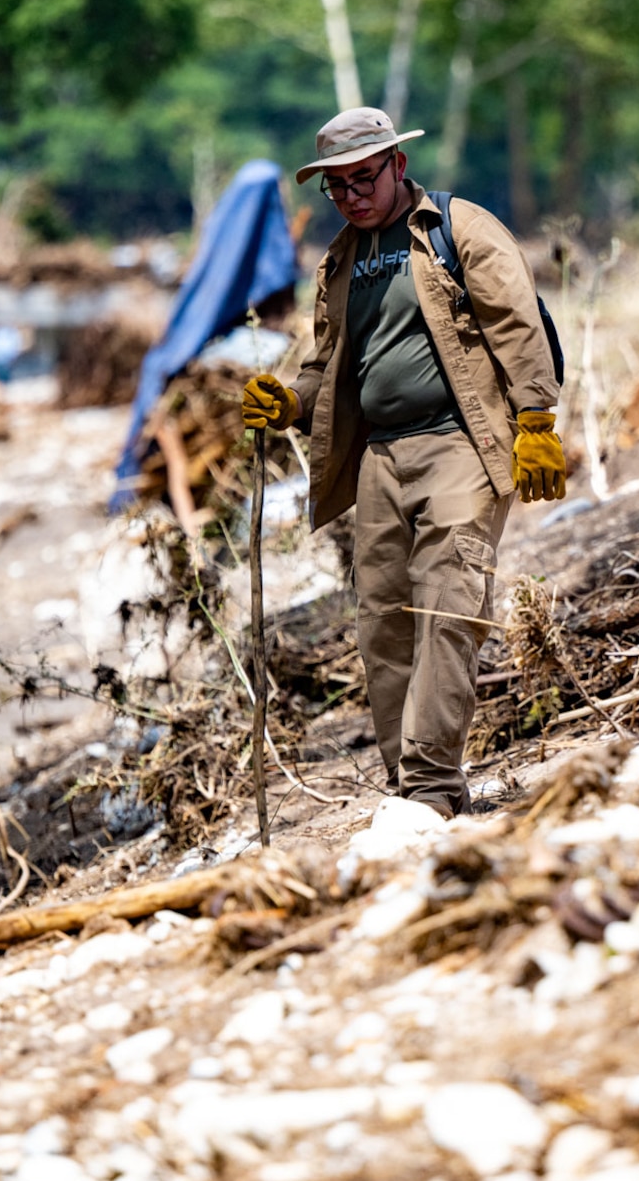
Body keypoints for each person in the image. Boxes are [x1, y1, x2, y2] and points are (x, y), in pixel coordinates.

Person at [241, 107, 567, 818]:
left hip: (461, 443)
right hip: (380, 460)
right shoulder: (340, 261)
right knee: (383, 625)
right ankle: (409, 788)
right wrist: (289, 404)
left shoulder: (459, 229)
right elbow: (326, 366)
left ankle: (429, 784)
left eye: (364, 178)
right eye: (337, 186)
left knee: (450, 608)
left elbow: (517, 323)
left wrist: (537, 422)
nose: (352, 195)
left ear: (397, 165)